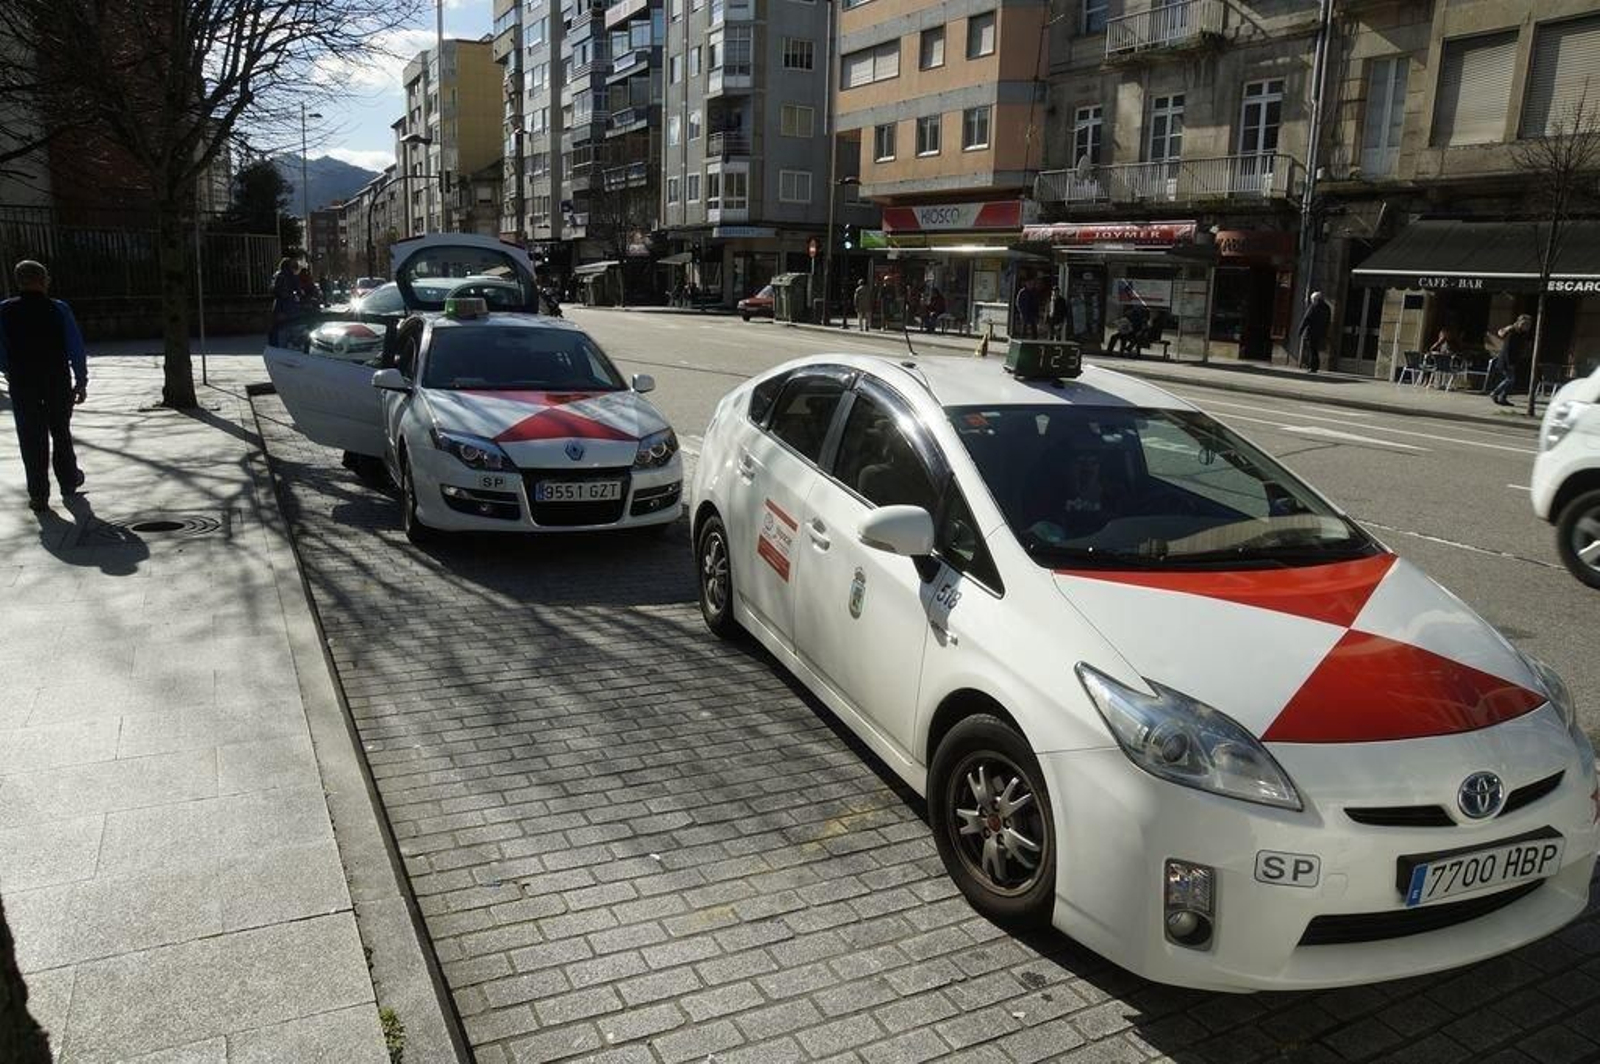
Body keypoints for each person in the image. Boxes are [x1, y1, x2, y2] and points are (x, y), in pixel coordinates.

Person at [0, 260, 87, 512]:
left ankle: (38, 494)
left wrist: (8, 370)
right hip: (56, 380)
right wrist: (81, 380)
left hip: (23, 383)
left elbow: (1, 349)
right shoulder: (59, 309)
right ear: (43, 280)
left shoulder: (4, 310)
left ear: (19, 281)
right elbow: (75, 347)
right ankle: (68, 481)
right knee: (61, 433)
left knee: (31, 438)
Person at [1489, 314, 1532, 406]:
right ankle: (1495, 393)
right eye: (1525, 324)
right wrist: (1510, 363)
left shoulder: (1522, 333)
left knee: (1511, 380)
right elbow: (1508, 348)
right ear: (1519, 323)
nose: (1527, 326)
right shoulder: (1512, 331)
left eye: (1528, 324)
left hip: (1513, 360)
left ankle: (1503, 398)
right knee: (1510, 379)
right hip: (1507, 360)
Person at [269, 258, 301, 344]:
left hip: (278, 302)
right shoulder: (291, 275)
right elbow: (298, 289)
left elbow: (272, 289)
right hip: (289, 302)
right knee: (291, 323)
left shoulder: (277, 275)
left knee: (277, 324)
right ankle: (290, 341)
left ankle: (274, 341)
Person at [1298, 291, 1331, 373]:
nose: (1312, 301)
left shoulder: (1313, 307)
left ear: (1316, 299)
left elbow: (1306, 319)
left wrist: (1300, 330)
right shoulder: (1327, 308)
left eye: (1312, 299)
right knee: (1315, 349)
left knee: (1312, 350)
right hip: (1321, 332)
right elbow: (1328, 321)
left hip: (1312, 332)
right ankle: (1315, 366)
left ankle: (1312, 367)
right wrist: (1325, 332)